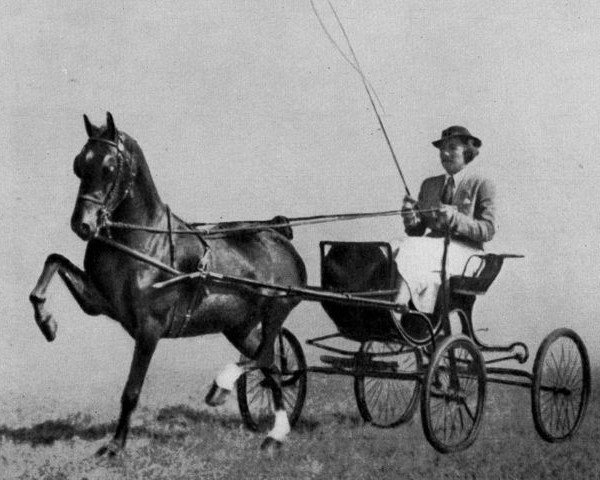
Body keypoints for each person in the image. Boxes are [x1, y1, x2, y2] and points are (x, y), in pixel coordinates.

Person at [394, 125, 497, 314]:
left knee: (413, 247)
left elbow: (488, 229)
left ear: (467, 151)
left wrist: (456, 218)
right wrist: (410, 217)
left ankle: (399, 302)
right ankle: (410, 315)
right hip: (432, 251)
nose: (445, 153)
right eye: (442, 149)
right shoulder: (430, 184)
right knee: (396, 245)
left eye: (452, 148)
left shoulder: (481, 183)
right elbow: (416, 231)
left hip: (467, 254)